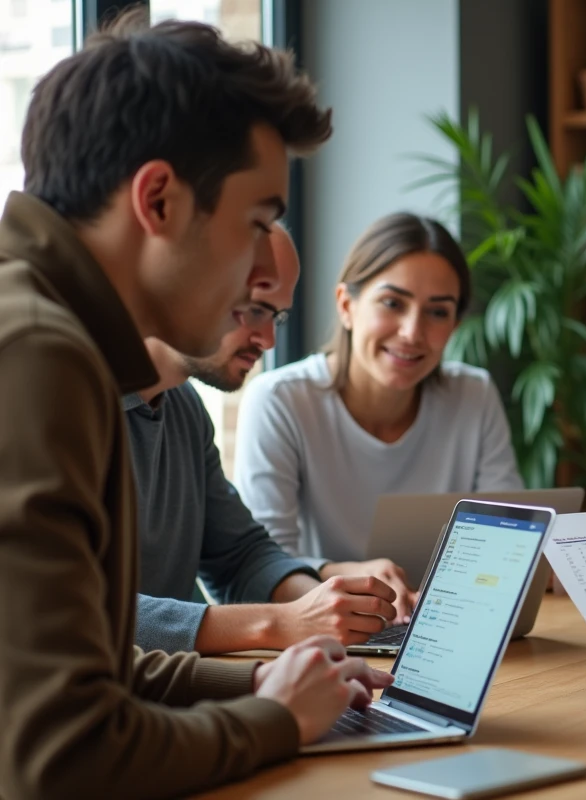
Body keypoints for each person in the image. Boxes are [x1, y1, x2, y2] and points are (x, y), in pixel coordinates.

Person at [0, 15, 393, 798]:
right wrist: (275, 722)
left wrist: (260, 692)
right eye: (256, 224)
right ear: (158, 200)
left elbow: (99, 665)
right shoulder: (38, 353)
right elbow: (60, 756)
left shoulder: (54, 334)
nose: (257, 264)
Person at [130, 223, 403, 655]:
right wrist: (281, 623)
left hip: (177, 689)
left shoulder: (182, 406)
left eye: (276, 316)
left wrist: (326, 605)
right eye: (255, 309)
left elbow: (239, 554)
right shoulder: (61, 402)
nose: (269, 339)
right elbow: (74, 616)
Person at [234, 212, 523, 590]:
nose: (412, 332)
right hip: (329, 625)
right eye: (392, 303)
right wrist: (337, 572)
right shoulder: (280, 400)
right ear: (346, 305)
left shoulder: (474, 396)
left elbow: (510, 538)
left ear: (454, 324)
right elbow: (263, 565)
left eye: (438, 312)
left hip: (447, 616)